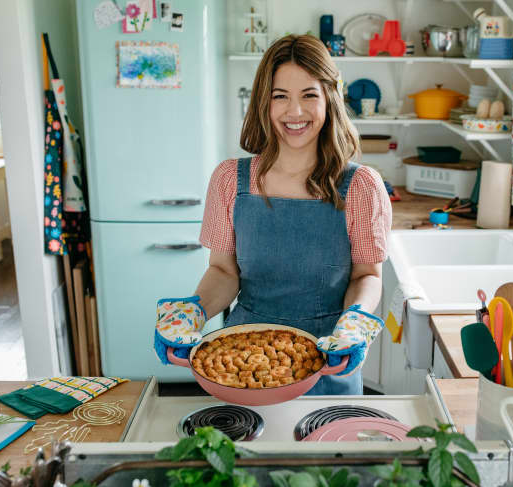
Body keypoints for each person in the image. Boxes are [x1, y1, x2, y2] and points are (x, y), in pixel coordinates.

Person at [154, 34, 392, 395]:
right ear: (263, 102)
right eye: (280, 96)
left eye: (309, 95)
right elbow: (223, 271)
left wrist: (354, 323)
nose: (294, 112)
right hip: (242, 363)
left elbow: (367, 275)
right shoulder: (230, 180)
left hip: (329, 362)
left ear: (330, 98)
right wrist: (194, 311)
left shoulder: (360, 186)